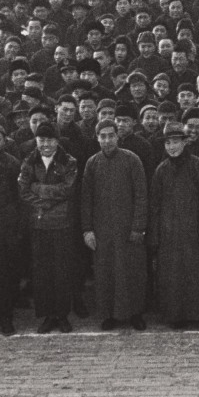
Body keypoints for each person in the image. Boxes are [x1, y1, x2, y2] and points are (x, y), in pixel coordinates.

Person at [147, 120, 199, 336]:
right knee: (173, 276)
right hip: (169, 235)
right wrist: (155, 236)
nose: (172, 147)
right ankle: (176, 315)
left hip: (194, 234)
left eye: (176, 142)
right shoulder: (161, 170)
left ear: (185, 142)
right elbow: (155, 206)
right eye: (168, 143)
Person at [80, 120, 149, 330]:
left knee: (131, 271)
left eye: (111, 135)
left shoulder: (132, 159)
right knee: (105, 272)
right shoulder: (92, 163)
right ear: (97, 138)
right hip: (102, 229)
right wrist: (87, 230)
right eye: (103, 136)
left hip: (128, 228)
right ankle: (108, 314)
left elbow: (141, 195)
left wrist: (138, 227)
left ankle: (135, 313)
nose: (107, 140)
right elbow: (86, 199)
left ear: (117, 137)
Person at [18, 120, 80, 334]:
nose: (45, 144)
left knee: (62, 270)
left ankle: (62, 315)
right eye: (41, 140)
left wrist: (39, 189)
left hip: (62, 223)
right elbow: (23, 190)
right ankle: (47, 315)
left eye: (49, 140)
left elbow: (68, 189)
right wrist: (42, 202)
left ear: (57, 141)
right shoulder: (29, 160)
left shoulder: (68, 161)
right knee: (42, 271)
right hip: (39, 223)